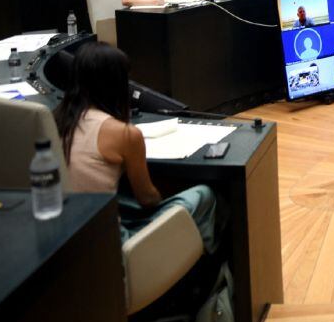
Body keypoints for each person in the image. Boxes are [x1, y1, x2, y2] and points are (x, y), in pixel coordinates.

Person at [53, 42, 217, 250]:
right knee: (205, 195)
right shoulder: (125, 134)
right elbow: (148, 199)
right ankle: (200, 272)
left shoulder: (54, 120)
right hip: (111, 244)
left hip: (64, 239)